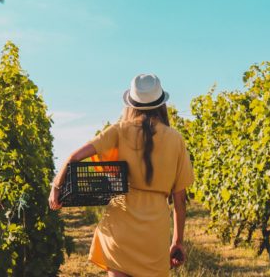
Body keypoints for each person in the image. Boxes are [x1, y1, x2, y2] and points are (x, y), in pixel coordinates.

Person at [49, 73, 194, 277]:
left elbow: (74, 156)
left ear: (131, 104)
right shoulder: (175, 139)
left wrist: (56, 186)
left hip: (120, 226)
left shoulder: (119, 130)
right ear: (161, 104)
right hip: (155, 233)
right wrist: (177, 242)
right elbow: (180, 200)